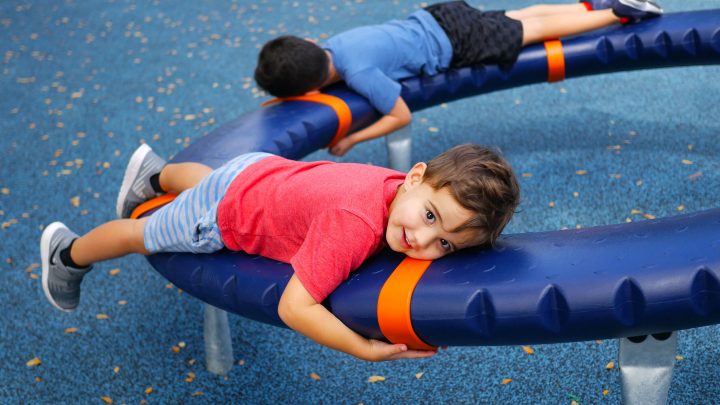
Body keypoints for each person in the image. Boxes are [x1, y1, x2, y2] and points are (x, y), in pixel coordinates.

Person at [40, 143, 520, 361]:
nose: (422, 239)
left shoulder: (399, 190)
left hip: (260, 171)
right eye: (431, 217)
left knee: (213, 177)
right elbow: (295, 306)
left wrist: (435, 225)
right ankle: (69, 254)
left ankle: (156, 175)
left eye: (445, 245)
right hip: (223, 215)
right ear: (415, 176)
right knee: (136, 235)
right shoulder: (353, 226)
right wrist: (361, 347)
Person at [254, 0, 663, 156]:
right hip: (440, 14)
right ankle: (593, 4)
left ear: (309, 89)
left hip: (458, 42)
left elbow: (400, 115)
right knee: (522, 16)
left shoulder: (360, 74)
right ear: (310, 41)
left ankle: (618, 14)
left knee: (533, 32)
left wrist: (350, 139)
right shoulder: (337, 44)